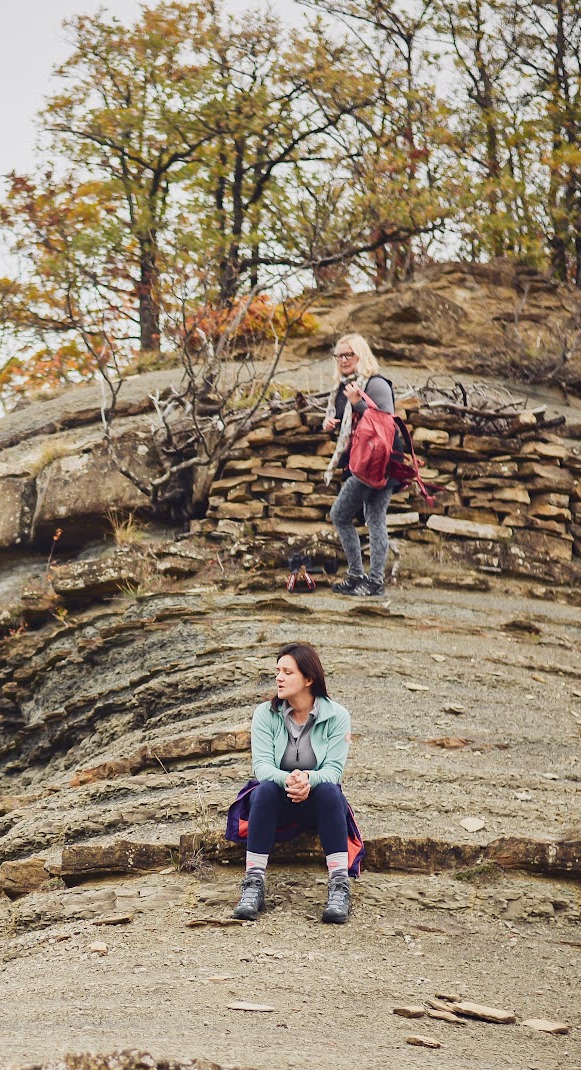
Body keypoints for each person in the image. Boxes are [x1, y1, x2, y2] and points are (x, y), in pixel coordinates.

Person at [228, 642, 359, 924]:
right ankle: (253, 884)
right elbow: (262, 767)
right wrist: (289, 778)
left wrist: (308, 778)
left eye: (287, 672)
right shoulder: (266, 713)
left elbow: (334, 770)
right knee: (264, 789)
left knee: (329, 792)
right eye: (278, 671)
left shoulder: (337, 716)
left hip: (317, 802)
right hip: (278, 799)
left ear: (309, 679)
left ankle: (339, 886)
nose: (279, 677)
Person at [320, 332, 395, 597]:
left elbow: (384, 425)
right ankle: (367, 580)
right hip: (363, 463)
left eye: (348, 354)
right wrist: (330, 424)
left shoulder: (376, 384)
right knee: (374, 517)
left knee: (340, 514)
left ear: (360, 355)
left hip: (380, 463)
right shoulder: (343, 387)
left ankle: (365, 579)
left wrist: (358, 403)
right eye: (338, 355)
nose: (342, 360)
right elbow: (348, 428)